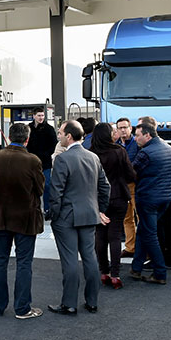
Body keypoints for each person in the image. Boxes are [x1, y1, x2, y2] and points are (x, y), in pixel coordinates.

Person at [47, 120, 110, 315]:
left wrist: (54, 215)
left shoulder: (63, 159)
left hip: (67, 217)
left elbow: (55, 192)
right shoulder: (93, 158)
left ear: (69, 136)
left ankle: (69, 304)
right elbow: (105, 187)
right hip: (89, 214)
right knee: (90, 258)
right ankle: (92, 302)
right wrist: (99, 209)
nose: (58, 135)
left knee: (70, 261)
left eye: (60, 132)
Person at [0, 122, 45, 319]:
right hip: (25, 218)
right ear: (27, 139)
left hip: (0, 216)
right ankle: (22, 308)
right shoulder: (33, 160)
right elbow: (40, 189)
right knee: (24, 263)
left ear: (9, 137)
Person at [88, 123, 135, 289]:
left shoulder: (90, 153)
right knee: (115, 236)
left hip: (97, 199)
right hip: (118, 196)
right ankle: (115, 275)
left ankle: (103, 272)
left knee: (100, 235)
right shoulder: (119, 151)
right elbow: (131, 174)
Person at [129, 123, 171, 284]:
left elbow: (132, 173)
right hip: (165, 197)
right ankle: (136, 268)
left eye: (137, 135)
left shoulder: (146, 153)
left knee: (149, 235)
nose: (135, 138)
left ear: (147, 135)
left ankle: (159, 272)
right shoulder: (169, 149)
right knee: (143, 230)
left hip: (148, 197)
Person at [26, 107, 57, 218]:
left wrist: (44, 155)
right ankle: (33, 208)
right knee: (31, 186)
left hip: (45, 163)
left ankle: (47, 209)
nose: (41, 118)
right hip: (31, 162)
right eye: (39, 115)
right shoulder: (28, 128)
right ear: (34, 116)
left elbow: (53, 145)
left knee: (47, 185)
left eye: (42, 115)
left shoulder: (49, 129)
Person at [114, 117, 139, 257]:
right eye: (120, 128)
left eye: (125, 127)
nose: (123, 130)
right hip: (121, 186)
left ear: (130, 128)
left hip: (134, 184)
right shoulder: (115, 145)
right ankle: (130, 247)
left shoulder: (137, 143)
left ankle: (143, 249)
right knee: (126, 218)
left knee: (140, 216)